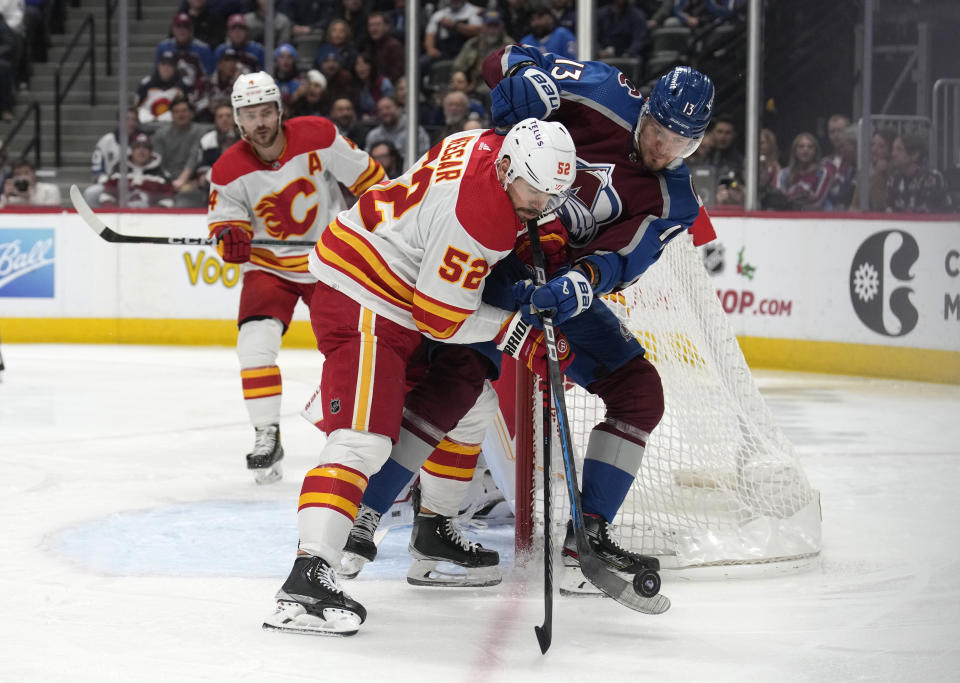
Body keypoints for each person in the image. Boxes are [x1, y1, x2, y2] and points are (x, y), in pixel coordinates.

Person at [339, 51, 717, 598]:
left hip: (559, 284)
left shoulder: (675, 200)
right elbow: (504, 62)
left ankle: (587, 533)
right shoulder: (602, 90)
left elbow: (624, 257)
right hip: (491, 248)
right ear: (646, 107)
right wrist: (521, 83)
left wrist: (582, 280)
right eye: (658, 131)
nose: (662, 149)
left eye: (680, 144)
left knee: (639, 391)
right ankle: (365, 514)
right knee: (461, 374)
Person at [263, 117, 577, 636]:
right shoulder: (483, 217)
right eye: (533, 191)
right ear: (506, 168)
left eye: (551, 196)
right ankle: (306, 578)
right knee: (361, 440)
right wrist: (517, 333)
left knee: (472, 404)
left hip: (390, 292)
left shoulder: (485, 145)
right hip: (365, 299)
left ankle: (434, 531)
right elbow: (442, 320)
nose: (540, 206)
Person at [206, 71, 385, 486]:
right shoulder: (227, 169)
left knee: (348, 347)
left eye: (266, 112)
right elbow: (224, 225)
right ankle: (267, 433)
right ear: (237, 120)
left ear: (279, 111)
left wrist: (390, 222)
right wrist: (229, 238)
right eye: (249, 115)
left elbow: (371, 181)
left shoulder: (319, 135)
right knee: (254, 346)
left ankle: (353, 428)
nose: (260, 123)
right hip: (269, 267)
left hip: (328, 260)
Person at [150, 95, 208, 207]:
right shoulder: (160, 135)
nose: (180, 114)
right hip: (165, 182)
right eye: (176, 111)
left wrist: (182, 180)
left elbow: (194, 156)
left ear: (191, 113)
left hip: (192, 183)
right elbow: (158, 161)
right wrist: (168, 183)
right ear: (171, 115)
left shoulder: (200, 131)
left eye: (184, 111)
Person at [83, 107, 146, 207]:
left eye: (133, 119)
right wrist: (108, 182)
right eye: (126, 119)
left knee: (142, 197)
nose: (130, 123)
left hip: (138, 183)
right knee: (91, 193)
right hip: (111, 184)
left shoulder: (143, 141)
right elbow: (97, 169)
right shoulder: (106, 141)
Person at [97, 133, 176, 208]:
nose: (141, 151)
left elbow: (167, 200)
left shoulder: (161, 174)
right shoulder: (119, 169)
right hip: (121, 216)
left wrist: (154, 214)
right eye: (137, 147)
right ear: (132, 151)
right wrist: (112, 211)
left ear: (151, 152)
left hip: (151, 218)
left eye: (145, 147)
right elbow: (108, 195)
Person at [452, 9, 514, 97]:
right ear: (483, 26)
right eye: (489, 26)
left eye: (495, 26)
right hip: (471, 84)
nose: (492, 30)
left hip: (496, 85)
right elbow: (458, 65)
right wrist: (459, 76)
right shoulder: (473, 43)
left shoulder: (509, 45)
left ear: (501, 27)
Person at [885, 133, 952, 214]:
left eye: (899, 149)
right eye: (893, 149)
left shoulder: (932, 178)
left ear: (915, 154)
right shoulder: (894, 179)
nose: (893, 154)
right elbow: (888, 210)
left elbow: (926, 213)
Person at [363, 95, 431, 169]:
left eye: (388, 108)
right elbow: (368, 163)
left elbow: (424, 158)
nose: (384, 112)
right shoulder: (373, 135)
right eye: (380, 110)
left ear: (399, 108)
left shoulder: (415, 131)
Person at [774, 132, 834, 211]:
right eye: (801, 147)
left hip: (818, 218)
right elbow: (778, 199)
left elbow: (817, 202)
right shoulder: (783, 174)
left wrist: (791, 195)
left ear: (815, 151)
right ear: (795, 151)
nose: (805, 150)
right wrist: (803, 194)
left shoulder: (823, 173)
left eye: (810, 147)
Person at [194, 99, 238, 193]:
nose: (224, 119)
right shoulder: (207, 139)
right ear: (215, 120)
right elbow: (203, 166)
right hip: (214, 184)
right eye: (220, 116)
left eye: (228, 116)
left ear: (235, 118)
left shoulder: (244, 139)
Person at [136, 52, 188, 124]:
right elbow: (138, 108)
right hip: (147, 124)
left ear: (175, 68)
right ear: (158, 66)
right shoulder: (146, 84)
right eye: (163, 64)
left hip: (172, 125)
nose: (166, 68)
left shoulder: (182, 86)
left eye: (170, 65)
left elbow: (184, 110)